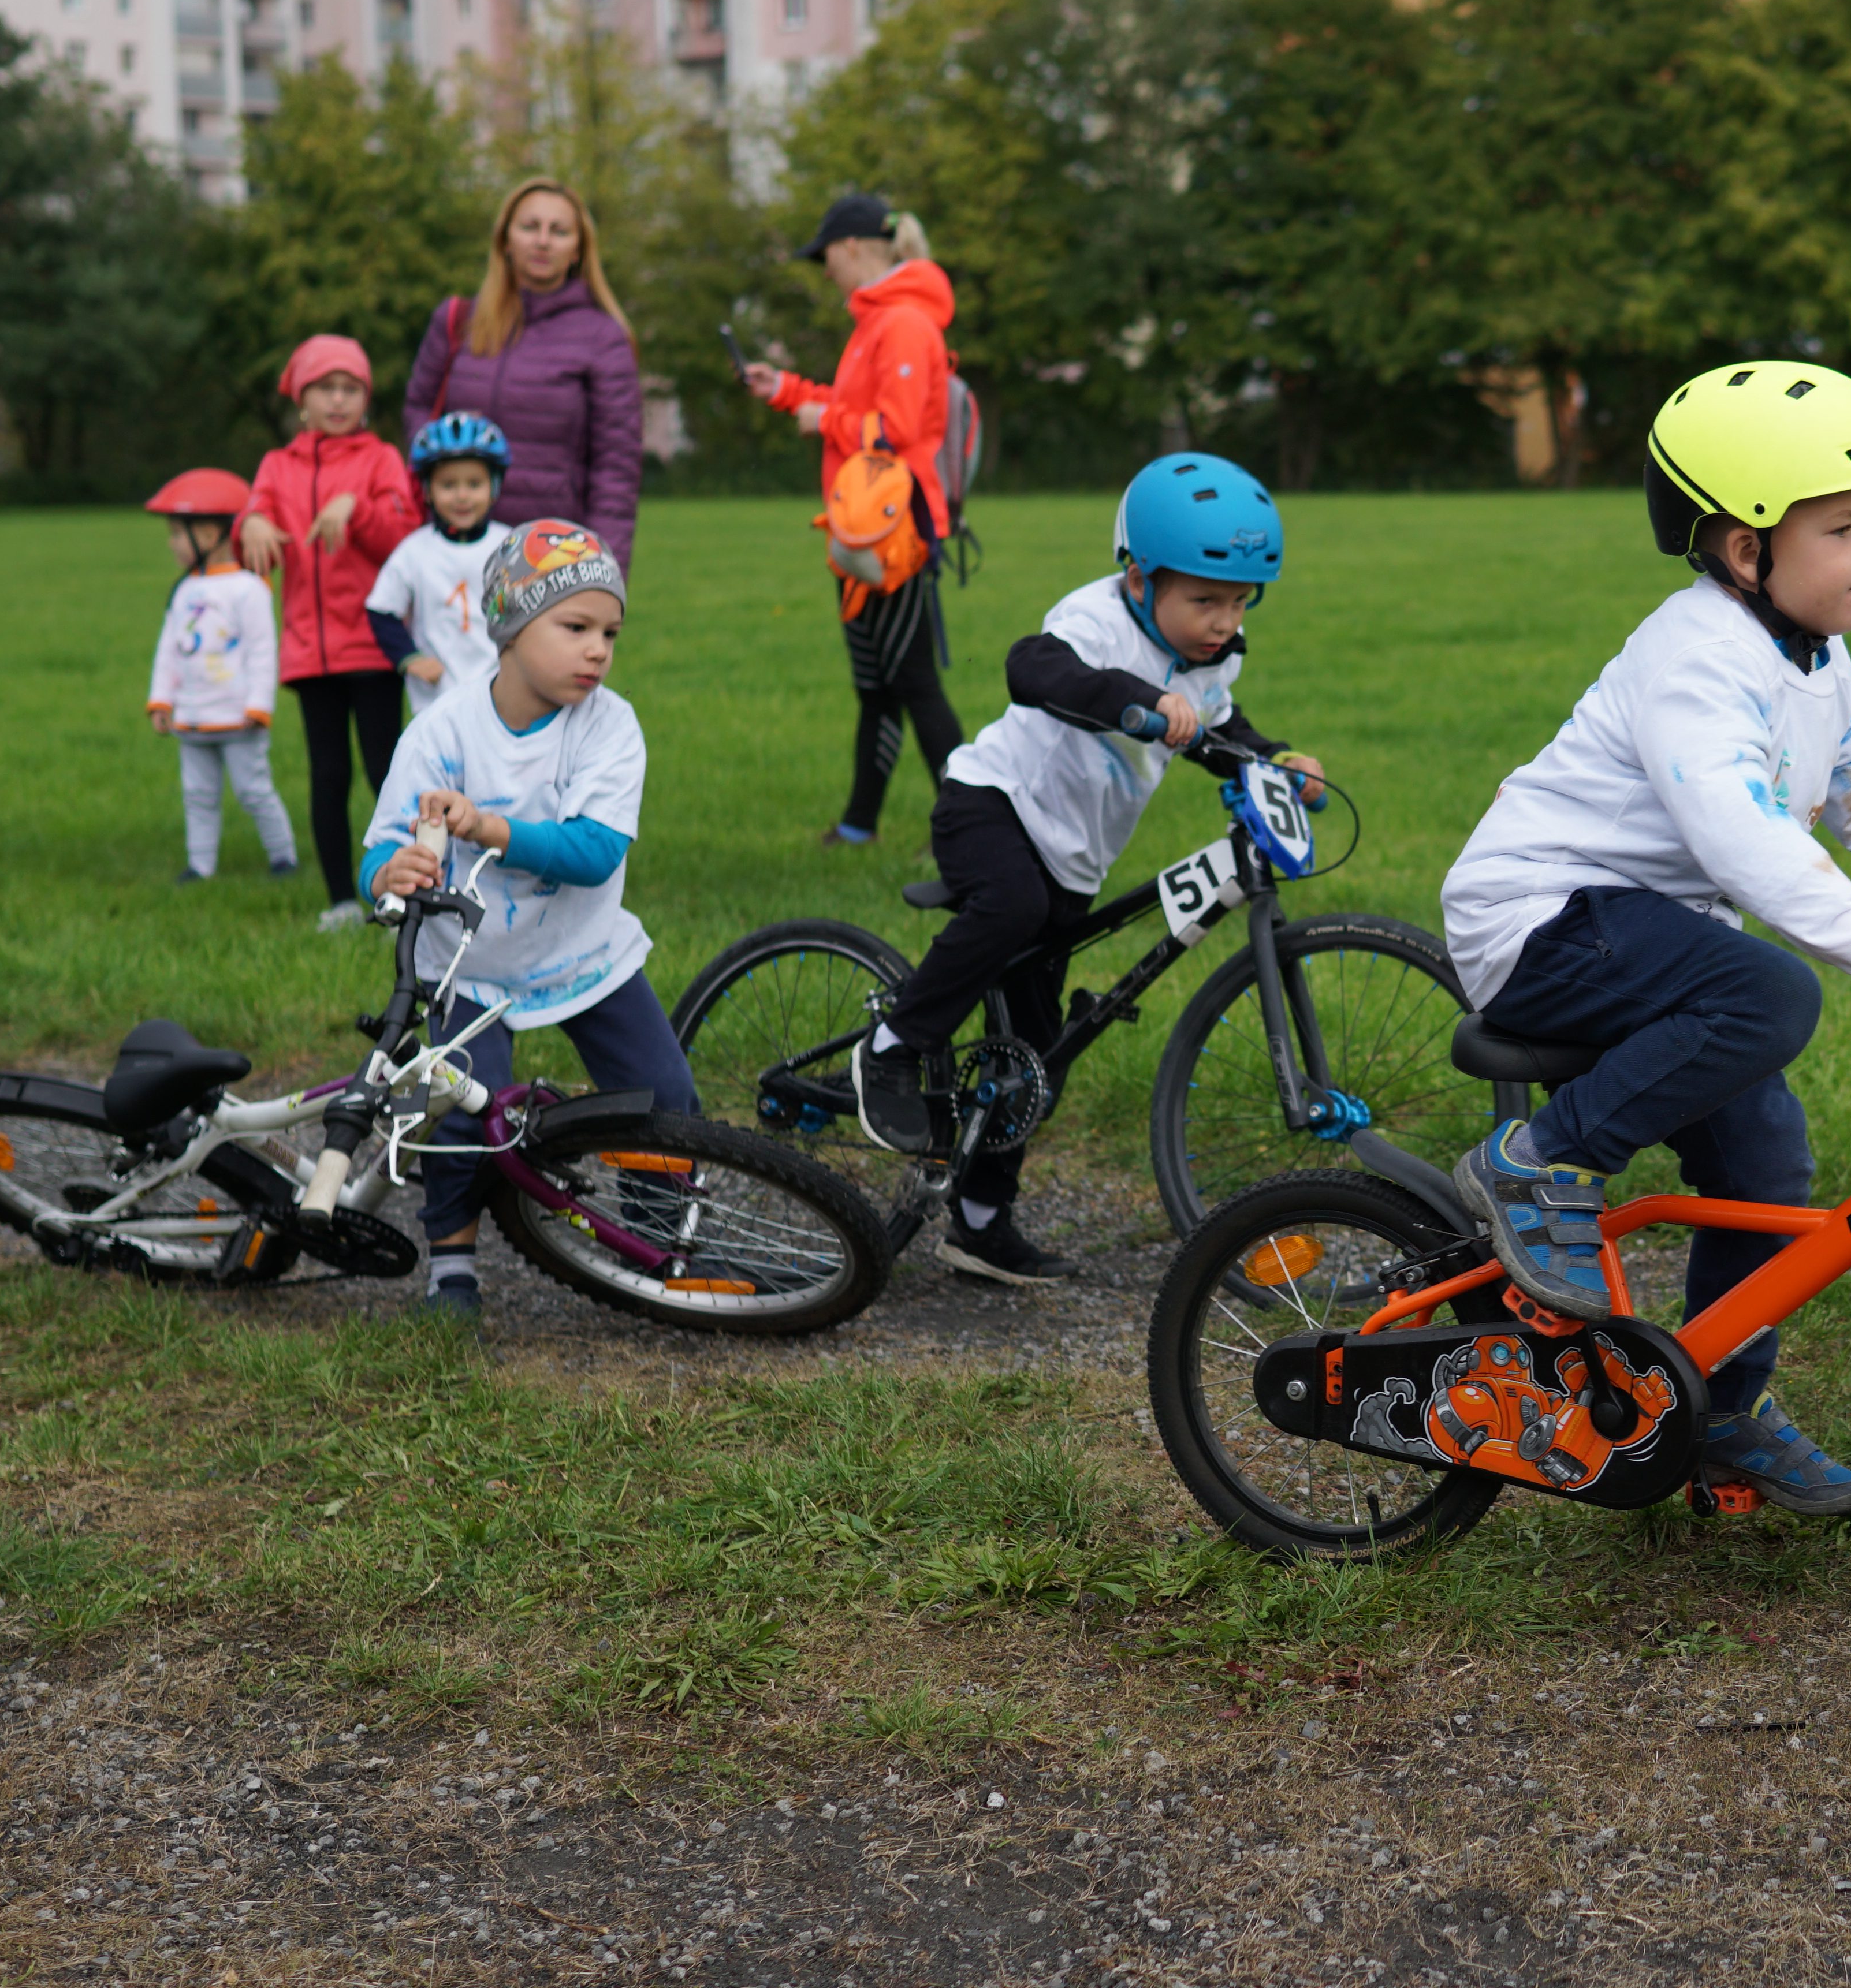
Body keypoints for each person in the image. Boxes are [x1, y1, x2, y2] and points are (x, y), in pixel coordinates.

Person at [1438, 364, 1851, 1516]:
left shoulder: (1813, 656)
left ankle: (1716, 1410)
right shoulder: (1695, 658)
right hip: (1544, 922)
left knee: (1766, 1163)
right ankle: (1536, 1164)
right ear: (1743, 548)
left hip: (1649, 942)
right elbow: (1741, 836)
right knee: (1773, 994)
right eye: (1843, 528)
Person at [841, 452, 1319, 1285]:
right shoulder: (1096, 620)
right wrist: (1141, 703)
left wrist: (1275, 760)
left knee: (1037, 1055)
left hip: (1074, 858)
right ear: (1139, 578)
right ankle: (892, 1044)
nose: (1223, 621)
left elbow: (1220, 728)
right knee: (1011, 907)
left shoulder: (1214, 658)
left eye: (1240, 601)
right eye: (1204, 600)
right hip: (992, 805)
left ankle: (980, 1224)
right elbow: (1035, 669)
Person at [361, 520, 694, 1319]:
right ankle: (451, 1267)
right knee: (458, 1115)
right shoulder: (442, 730)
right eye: (574, 627)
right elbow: (379, 848)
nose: (598, 651)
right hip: (469, 968)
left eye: (610, 632)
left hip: (584, 954)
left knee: (665, 1098)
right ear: (509, 627)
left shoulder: (610, 725)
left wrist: (488, 828)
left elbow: (595, 852)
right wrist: (389, 872)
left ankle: (658, 1247)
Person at [741, 195, 965, 850]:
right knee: (876, 687)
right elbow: (850, 405)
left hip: (896, 533)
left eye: (826, 257)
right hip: (862, 530)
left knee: (915, 685)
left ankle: (970, 829)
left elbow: (896, 427)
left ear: (851, 247)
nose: (826, 271)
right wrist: (786, 390)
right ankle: (858, 825)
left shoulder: (904, 322)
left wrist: (826, 421)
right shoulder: (876, 321)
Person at [238, 333, 419, 932]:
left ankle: (403, 893)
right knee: (329, 776)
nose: (339, 400)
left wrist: (354, 508)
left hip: (372, 645)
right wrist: (251, 522)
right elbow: (253, 528)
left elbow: (405, 536)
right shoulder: (278, 466)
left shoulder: (381, 459)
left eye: (351, 389)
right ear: (302, 401)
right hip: (310, 652)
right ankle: (342, 899)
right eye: (325, 388)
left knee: (387, 774)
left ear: (365, 399)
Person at [402, 179, 646, 570]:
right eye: (530, 227)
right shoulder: (459, 321)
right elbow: (418, 408)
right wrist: (445, 458)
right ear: (505, 240)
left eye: (559, 231)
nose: (543, 241)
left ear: (578, 251)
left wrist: (603, 571)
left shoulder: (603, 337)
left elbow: (615, 471)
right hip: (454, 551)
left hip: (550, 557)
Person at [142, 467, 298, 885]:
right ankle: (200, 866)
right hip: (192, 717)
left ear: (210, 535)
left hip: (238, 718)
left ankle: (283, 857)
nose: (173, 543)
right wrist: (161, 700)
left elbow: (263, 652)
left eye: (178, 534)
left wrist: (259, 706)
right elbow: (168, 652)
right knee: (198, 795)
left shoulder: (249, 589)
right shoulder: (183, 591)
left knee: (254, 791)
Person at [366, 413, 510, 715]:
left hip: (502, 695)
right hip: (435, 703)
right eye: (448, 485)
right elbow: (381, 609)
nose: (462, 496)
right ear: (428, 490)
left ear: (494, 486)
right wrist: (410, 659)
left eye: (474, 484)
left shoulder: (510, 546)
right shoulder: (415, 550)